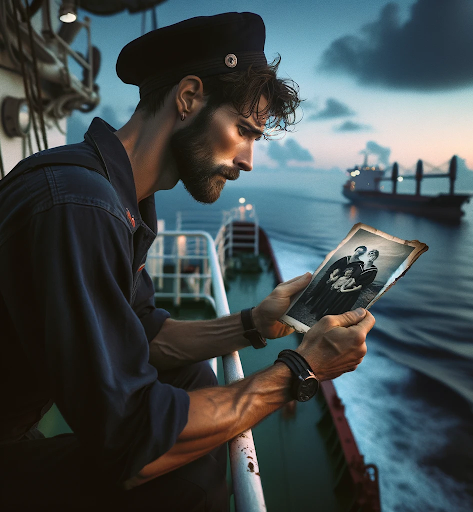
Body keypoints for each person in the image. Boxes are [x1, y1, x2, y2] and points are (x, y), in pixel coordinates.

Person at [0, 12, 375, 510]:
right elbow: (132, 441)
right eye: (243, 130)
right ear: (188, 97)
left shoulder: (114, 192)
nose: (248, 160)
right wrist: (299, 370)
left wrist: (252, 323)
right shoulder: (82, 205)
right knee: (174, 474)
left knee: (194, 380)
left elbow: (143, 334)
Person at [328, 248, 380, 316]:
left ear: (376, 258)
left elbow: (364, 284)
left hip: (353, 292)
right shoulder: (359, 266)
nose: (372, 257)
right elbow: (350, 277)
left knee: (343, 307)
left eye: (374, 256)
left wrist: (348, 289)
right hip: (345, 287)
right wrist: (342, 287)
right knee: (334, 303)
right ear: (368, 255)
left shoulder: (373, 271)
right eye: (371, 254)